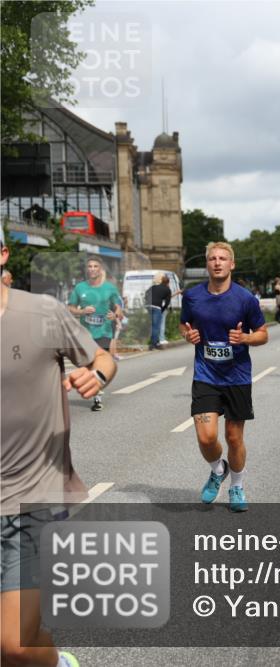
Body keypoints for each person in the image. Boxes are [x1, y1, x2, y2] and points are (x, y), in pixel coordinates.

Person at [1, 232, 116, 667]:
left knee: (12, 645)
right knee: (18, 638)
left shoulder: (43, 313)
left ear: (3, 255)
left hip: (32, 495)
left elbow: (103, 359)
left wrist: (97, 377)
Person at [180, 242, 268, 513]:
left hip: (237, 377)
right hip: (206, 375)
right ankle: (219, 469)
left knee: (233, 438)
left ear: (232, 264)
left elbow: (263, 333)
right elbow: (185, 325)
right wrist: (187, 335)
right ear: (207, 264)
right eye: (212, 258)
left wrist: (245, 337)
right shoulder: (192, 296)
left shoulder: (245, 299)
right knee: (206, 438)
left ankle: (237, 485)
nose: (217, 262)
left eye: (222, 258)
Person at [67, 256, 122, 412]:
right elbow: (70, 308)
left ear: (100, 269)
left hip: (104, 331)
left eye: (95, 266)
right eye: (89, 266)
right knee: (90, 364)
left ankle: (97, 397)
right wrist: (82, 311)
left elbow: (118, 306)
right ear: (87, 269)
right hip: (86, 333)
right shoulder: (80, 288)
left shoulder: (109, 288)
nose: (92, 269)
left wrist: (115, 315)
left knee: (99, 362)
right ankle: (97, 391)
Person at [148, 272, 172, 350]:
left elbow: (146, 293)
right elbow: (167, 303)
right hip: (157, 307)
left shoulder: (153, 287)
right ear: (168, 282)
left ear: (161, 281)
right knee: (156, 326)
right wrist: (162, 309)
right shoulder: (167, 290)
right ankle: (153, 344)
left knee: (152, 325)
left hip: (149, 306)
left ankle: (155, 341)